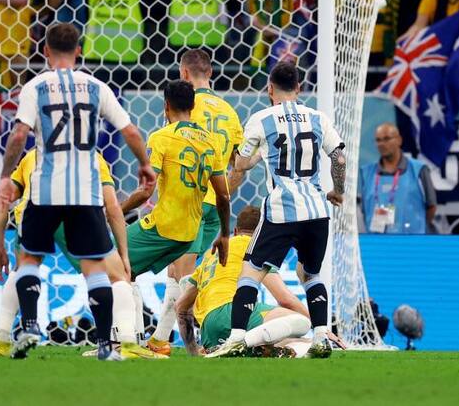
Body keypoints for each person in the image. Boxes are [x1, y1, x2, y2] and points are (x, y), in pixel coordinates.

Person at [0, 23, 157, 361]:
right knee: (95, 268)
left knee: (29, 259)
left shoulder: (35, 86)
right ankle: (106, 347)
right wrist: (144, 164)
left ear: (46, 52)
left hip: (45, 188)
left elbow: (20, 135)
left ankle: (31, 327)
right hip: (86, 190)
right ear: (79, 51)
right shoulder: (97, 87)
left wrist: (6, 175)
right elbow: (130, 131)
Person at [211, 61, 347, 359]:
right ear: (299, 88)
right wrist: (338, 192)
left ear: (269, 89)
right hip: (316, 210)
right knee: (310, 274)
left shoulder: (262, 119)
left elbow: (240, 164)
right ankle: (321, 336)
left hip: (281, 210)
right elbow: (338, 159)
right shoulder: (318, 118)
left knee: (251, 270)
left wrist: (257, 154)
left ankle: (235, 337)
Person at [0, 149, 161, 359]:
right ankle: (126, 344)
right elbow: (113, 207)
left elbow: (2, 201)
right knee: (118, 277)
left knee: (21, 271)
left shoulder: (33, 156)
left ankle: (1, 340)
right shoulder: (93, 158)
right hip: (75, 214)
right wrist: (123, 253)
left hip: (33, 213)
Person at [118, 80, 230, 344]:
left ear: (166, 106)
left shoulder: (162, 137)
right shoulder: (210, 142)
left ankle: (126, 342)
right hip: (191, 232)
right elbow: (223, 195)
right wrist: (225, 234)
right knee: (138, 273)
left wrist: (114, 211)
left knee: (113, 263)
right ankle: (163, 341)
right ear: (193, 106)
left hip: (164, 226)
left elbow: (146, 191)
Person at [146, 50, 242, 357]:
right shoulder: (230, 112)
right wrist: (224, 192)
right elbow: (238, 164)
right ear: (211, 72)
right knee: (178, 272)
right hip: (217, 204)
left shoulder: (187, 106)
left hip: (189, 202)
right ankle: (161, 340)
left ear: (184, 74)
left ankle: (192, 335)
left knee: (182, 273)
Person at [174, 205, 312, 356]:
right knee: (301, 322)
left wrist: (193, 352)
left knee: (301, 344)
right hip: (234, 312)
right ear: (263, 233)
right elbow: (286, 300)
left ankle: (240, 348)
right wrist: (320, 328)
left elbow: (181, 307)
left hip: (209, 329)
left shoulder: (210, 256)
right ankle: (243, 344)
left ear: (235, 231)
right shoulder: (254, 247)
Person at [359, 123, 437, 234]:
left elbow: (431, 206)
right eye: (378, 140)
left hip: (412, 243)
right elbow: (364, 210)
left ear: (399, 140)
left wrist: (416, 228)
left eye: (386, 139)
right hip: (377, 243)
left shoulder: (419, 170)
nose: (382, 144)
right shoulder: (366, 173)